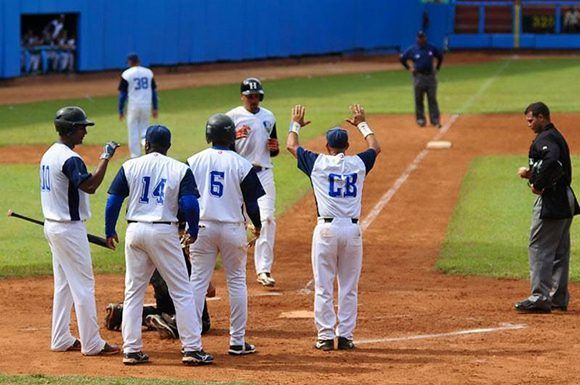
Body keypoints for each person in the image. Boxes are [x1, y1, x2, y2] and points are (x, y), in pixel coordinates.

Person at [105, 125, 213, 365]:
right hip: (164, 231)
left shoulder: (130, 166)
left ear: (146, 145)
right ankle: (192, 349)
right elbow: (190, 205)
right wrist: (193, 229)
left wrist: (109, 229)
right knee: (182, 290)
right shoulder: (179, 169)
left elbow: (113, 201)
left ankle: (131, 350)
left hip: (135, 231)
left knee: (133, 292)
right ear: (168, 146)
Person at [286, 104, 380, 350]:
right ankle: (346, 337)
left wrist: (295, 123)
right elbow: (375, 148)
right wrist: (362, 123)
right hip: (352, 231)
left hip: (326, 231)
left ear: (328, 146)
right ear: (347, 147)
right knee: (348, 286)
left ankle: (325, 336)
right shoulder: (358, 164)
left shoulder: (317, 162)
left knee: (323, 284)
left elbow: (290, 145)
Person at [40, 106, 120, 356]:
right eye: (82, 127)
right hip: (68, 230)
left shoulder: (49, 153)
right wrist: (105, 157)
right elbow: (91, 186)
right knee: (84, 286)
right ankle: (92, 343)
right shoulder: (69, 158)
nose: (85, 131)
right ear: (71, 129)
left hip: (54, 227)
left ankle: (61, 337)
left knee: (64, 285)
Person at [187, 113, 265, 356]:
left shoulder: (193, 160)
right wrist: (258, 226)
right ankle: (237, 342)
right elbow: (252, 204)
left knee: (197, 282)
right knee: (237, 282)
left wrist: (184, 225)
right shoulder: (241, 164)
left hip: (201, 228)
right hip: (232, 229)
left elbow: (185, 198)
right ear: (232, 136)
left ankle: (192, 343)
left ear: (208, 135)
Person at [515, 102, 579, 313]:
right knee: (559, 250)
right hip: (566, 198)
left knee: (539, 247)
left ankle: (540, 297)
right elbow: (551, 163)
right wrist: (531, 173)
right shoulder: (554, 136)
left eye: (531, 120)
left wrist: (537, 184)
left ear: (542, 117)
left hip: (553, 199)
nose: (529, 124)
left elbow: (552, 162)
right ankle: (557, 297)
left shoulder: (546, 138)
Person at [226, 77, 279, 287]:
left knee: (267, 219)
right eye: (250, 96)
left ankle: (264, 269)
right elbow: (226, 149)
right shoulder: (231, 117)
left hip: (264, 172)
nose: (254, 100)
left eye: (257, 96)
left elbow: (273, 150)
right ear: (242, 97)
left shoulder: (269, 117)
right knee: (235, 222)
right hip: (240, 174)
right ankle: (235, 268)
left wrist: (274, 148)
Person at [118, 53, 158, 158]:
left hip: (133, 106)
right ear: (138, 61)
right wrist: (155, 107)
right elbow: (154, 91)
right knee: (145, 129)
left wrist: (120, 109)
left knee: (133, 130)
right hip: (146, 105)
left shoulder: (127, 74)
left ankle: (135, 156)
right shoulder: (148, 72)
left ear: (130, 62)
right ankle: (148, 150)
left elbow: (122, 94)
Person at [400, 31, 443, 128]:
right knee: (419, 99)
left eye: (422, 37)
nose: (421, 39)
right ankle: (420, 119)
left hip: (431, 77)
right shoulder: (413, 50)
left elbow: (440, 56)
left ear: (425, 38)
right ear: (417, 39)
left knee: (432, 99)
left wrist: (437, 68)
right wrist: (409, 68)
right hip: (418, 77)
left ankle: (435, 120)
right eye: (419, 37)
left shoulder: (431, 48)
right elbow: (403, 58)